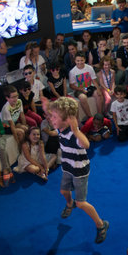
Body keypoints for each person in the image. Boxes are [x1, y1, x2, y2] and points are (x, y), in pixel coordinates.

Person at [45, 97, 109, 243]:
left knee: (81, 203)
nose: (51, 119)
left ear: (67, 120)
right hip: (67, 168)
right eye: (52, 116)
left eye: (54, 116)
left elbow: (86, 144)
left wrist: (75, 129)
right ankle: (69, 204)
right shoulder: (59, 128)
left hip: (80, 171)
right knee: (64, 191)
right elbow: (53, 121)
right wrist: (47, 107)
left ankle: (101, 225)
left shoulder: (74, 135)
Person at [68, 53, 98, 119]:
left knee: (98, 94)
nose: (80, 62)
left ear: (84, 60)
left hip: (89, 86)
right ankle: (90, 116)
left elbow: (94, 81)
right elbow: (71, 86)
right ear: (75, 61)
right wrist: (81, 89)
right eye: (78, 61)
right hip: (78, 90)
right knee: (83, 98)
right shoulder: (72, 72)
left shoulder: (89, 68)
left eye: (81, 60)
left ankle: (99, 114)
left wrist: (98, 90)